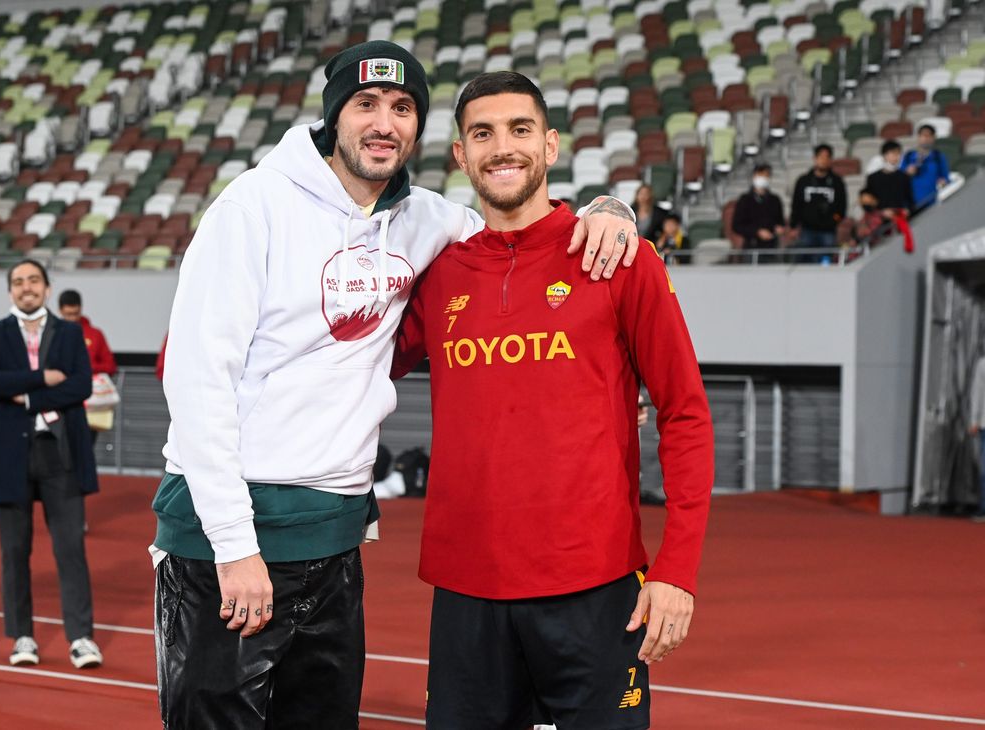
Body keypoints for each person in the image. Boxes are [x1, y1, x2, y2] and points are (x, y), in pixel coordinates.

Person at [150, 40, 642, 729]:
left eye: (403, 107)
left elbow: (521, 226)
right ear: (334, 115)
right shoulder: (251, 208)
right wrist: (233, 548)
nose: (384, 123)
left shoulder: (428, 219)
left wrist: (611, 209)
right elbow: (197, 383)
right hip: (232, 541)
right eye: (366, 104)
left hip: (333, 543)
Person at [391, 71, 715, 730]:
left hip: (594, 590)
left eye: (520, 129)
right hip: (467, 593)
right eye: (482, 134)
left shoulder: (621, 260)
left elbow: (685, 413)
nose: (502, 148)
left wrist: (677, 570)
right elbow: (349, 363)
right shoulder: (439, 275)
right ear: (461, 155)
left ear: (551, 144)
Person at [0, 259, 103, 670]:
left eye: (33, 280)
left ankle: (81, 637)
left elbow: (80, 385)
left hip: (60, 455)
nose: (26, 287)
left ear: (47, 288)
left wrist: (27, 397)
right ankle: (22, 636)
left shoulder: (70, 332)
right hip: (10, 456)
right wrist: (42, 378)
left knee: (70, 549)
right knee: (14, 551)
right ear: (10, 290)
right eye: (18, 282)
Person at [58, 289, 116, 443]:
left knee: (86, 447)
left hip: (89, 405)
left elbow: (110, 366)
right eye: (68, 314)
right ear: (60, 311)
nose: (72, 318)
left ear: (81, 309)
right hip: (59, 403)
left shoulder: (95, 334)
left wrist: (86, 369)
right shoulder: (53, 334)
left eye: (75, 314)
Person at [790, 144, 846, 261]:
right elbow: (796, 205)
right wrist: (793, 225)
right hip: (807, 230)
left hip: (828, 231)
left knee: (826, 262)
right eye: (821, 157)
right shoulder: (803, 181)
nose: (823, 160)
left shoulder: (837, 182)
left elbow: (842, 208)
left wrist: (834, 220)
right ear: (815, 158)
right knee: (803, 261)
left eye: (827, 157)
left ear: (830, 160)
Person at [732, 162, 786, 258]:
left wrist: (779, 229)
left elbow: (780, 222)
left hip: (771, 247)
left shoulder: (775, 200)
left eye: (765, 175)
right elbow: (737, 226)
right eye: (760, 175)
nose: (762, 178)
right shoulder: (745, 200)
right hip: (751, 246)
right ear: (754, 177)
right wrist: (757, 232)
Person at [901, 124, 950, 211]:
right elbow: (899, 179)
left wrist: (943, 182)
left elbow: (946, 178)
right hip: (911, 204)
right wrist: (907, 173)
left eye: (929, 136)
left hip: (932, 204)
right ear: (918, 137)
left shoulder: (938, 157)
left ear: (933, 138)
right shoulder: (908, 156)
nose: (926, 138)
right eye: (923, 135)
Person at [866, 140, 914, 215]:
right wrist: (881, 212)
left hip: (899, 217)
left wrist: (907, 210)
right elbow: (867, 203)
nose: (897, 156)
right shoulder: (872, 178)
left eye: (899, 153)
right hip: (879, 218)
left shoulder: (904, 177)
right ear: (884, 155)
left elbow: (910, 201)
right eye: (893, 153)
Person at [967, 355, 985, 518]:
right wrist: (974, 420)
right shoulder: (982, 364)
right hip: (984, 424)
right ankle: (983, 507)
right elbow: (977, 393)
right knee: (984, 468)